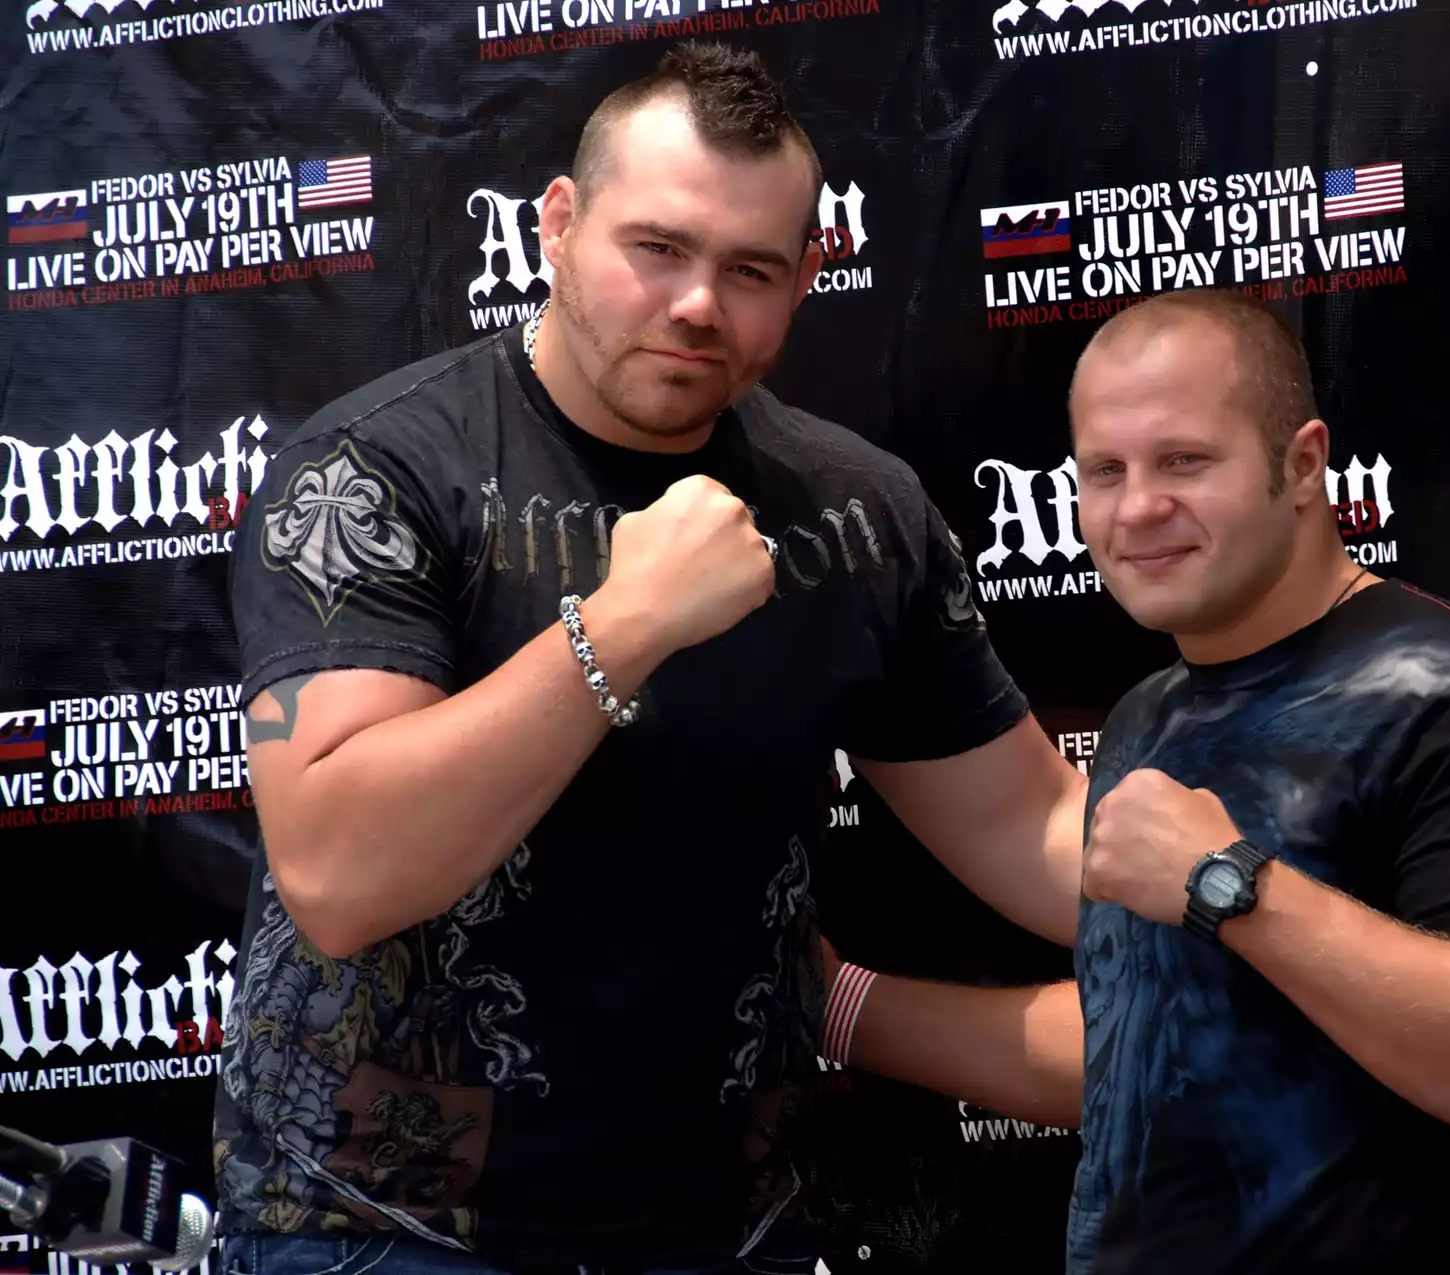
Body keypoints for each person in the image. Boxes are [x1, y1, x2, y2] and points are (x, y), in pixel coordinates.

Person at [216, 41, 1086, 1275]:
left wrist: (1264, 898)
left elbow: (1025, 826)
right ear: (558, 227)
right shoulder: (374, 473)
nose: (697, 305)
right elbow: (340, 873)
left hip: (722, 1221)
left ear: (807, 279)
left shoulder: (853, 513)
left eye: (750, 270)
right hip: (379, 1226)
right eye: (658, 248)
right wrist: (623, 627)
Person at [1057, 289, 1450, 1272]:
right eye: (1105, 470)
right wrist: (848, 1003)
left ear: (1304, 463)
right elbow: (1142, 1052)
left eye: (1184, 460)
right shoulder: (1144, 717)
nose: (1138, 506)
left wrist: (1221, 882)